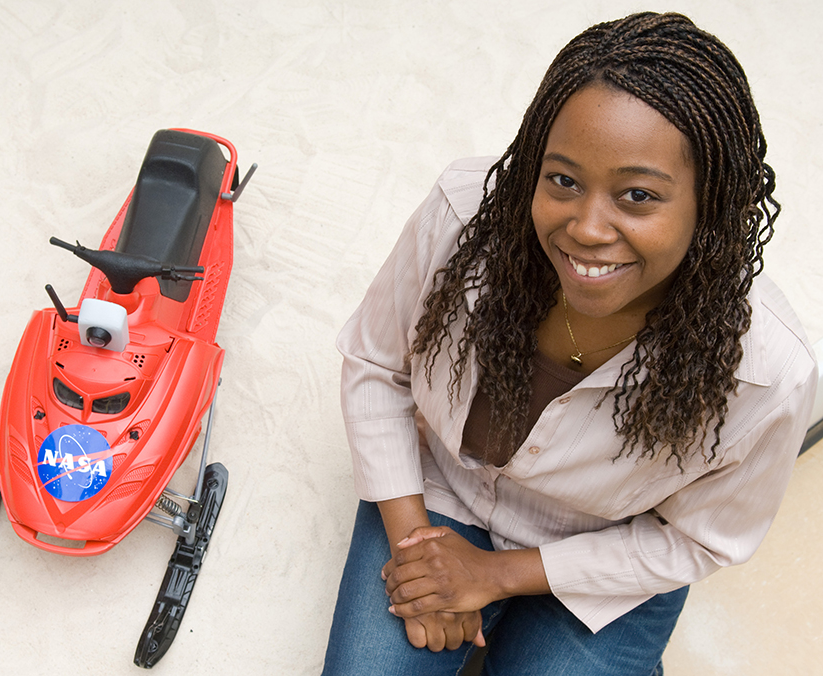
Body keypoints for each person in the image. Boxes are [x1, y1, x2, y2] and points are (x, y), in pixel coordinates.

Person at [321, 11, 817, 676]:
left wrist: (495, 576)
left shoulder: (767, 373)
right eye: (562, 181)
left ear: (711, 205)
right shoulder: (462, 218)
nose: (586, 228)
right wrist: (423, 559)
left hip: (604, 553)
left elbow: (700, 539)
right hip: (445, 494)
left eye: (637, 196)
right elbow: (374, 364)